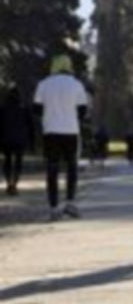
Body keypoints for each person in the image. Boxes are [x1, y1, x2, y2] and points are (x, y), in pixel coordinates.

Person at [33, 55, 89, 221]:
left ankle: (54, 207)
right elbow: (82, 111)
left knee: (52, 169)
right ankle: (70, 201)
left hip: (51, 131)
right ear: (69, 66)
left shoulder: (43, 84)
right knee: (72, 167)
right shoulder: (77, 85)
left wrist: (50, 115)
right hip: (71, 130)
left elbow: (36, 109)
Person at [1, 87, 36, 196]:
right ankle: (14, 183)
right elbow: (31, 126)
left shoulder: (3, 108)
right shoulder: (24, 109)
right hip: (20, 140)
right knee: (18, 162)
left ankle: (9, 182)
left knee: (7, 161)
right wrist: (32, 143)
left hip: (5, 139)